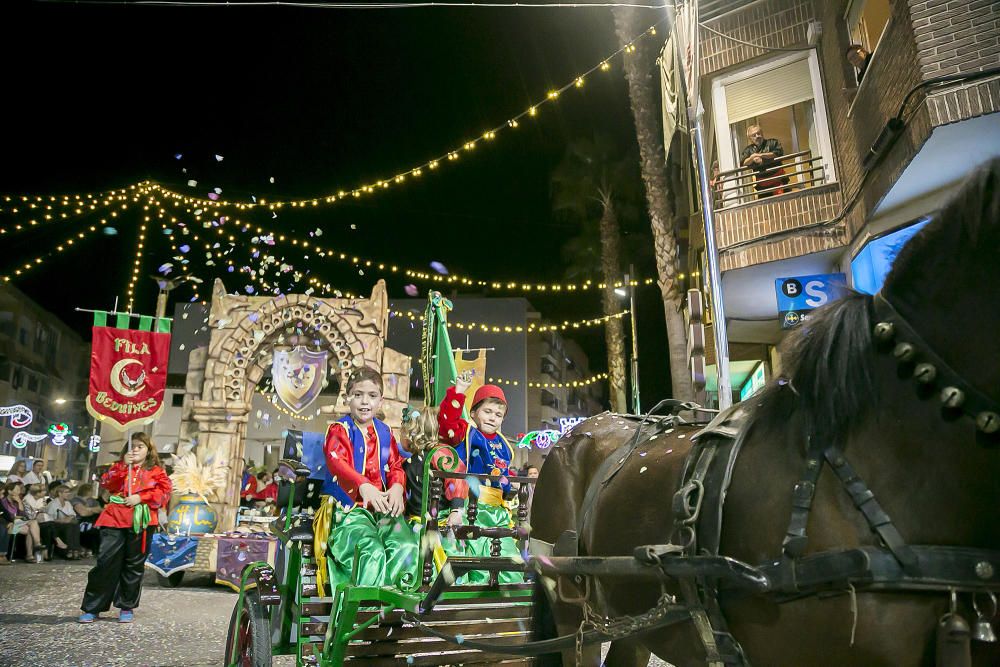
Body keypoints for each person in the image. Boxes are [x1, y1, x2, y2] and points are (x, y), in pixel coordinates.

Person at [317, 366, 411, 592]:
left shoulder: (385, 432)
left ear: (381, 400)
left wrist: (397, 486)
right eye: (358, 395)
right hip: (348, 511)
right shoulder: (339, 430)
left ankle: (398, 604)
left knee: (406, 545)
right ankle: (363, 611)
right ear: (347, 397)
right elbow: (337, 462)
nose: (364, 402)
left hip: (382, 510)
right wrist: (363, 486)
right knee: (371, 550)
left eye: (372, 396)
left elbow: (396, 465)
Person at [438, 370, 523, 584]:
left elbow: (502, 477)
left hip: (498, 514)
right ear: (474, 413)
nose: (492, 417)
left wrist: (510, 493)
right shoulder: (466, 433)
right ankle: (470, 604)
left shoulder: (505, 445)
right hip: (470, 508)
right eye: (487, 411)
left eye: (498, 414)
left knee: (508, 561)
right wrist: (458, 392)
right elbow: (447, 424)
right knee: (474, 559)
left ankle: (507, 602)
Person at [79, 433, 172, 624]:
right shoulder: (118, 467)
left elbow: (164, 493)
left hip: (142, 522)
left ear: (148, 451)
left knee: (134, 566)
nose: (135, 449)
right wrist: (122, 466)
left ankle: (126, 605)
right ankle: (93, 607)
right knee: (105, 563)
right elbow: (106, 483)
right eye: (133, 446)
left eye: (140, 446)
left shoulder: (156, 471)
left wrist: (141, 497)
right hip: (114, 518)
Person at [1, 481, 45, 563]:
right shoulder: (3, 502)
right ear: (10, 491)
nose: (19, 491)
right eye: (17, 490)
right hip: (9, 525)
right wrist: (18, 517)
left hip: (17, 523)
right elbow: (9, 517)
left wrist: (19, 502)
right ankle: (36, 546)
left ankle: (32, 552)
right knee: (32, 523)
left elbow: (23, 515)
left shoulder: (17, 502)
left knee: (31, 528)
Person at [739, 124, 788, 197]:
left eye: (758, 133)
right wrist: (752, 158)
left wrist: (761, 155)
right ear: (750, 138)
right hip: (763, 187)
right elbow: (743, 163)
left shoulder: (773, 142)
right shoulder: (748, 150)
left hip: (779, 181)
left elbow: (778, 153)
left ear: (762, 133)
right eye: (754, 135)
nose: (757, 136)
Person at [47, 484, 83, 559]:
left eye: (69, 492)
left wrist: (68, 518)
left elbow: (73, 514)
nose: (68, 494)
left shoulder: (67, 503)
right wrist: (62, 520)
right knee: (69, 526)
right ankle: (68, 551)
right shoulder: (53, 504)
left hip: (67, 523)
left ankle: (75, 549)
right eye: (66, 492)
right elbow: (49, 519)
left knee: (75, 525)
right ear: (60, 493)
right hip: (56, 525)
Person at [71, 483, 102, 556]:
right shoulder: (76, 500)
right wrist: (93, 510)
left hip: (92, 521)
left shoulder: (94, 501)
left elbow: (100, 510)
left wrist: (88, 509)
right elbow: (83, 513)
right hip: (80, 522)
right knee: (92, 529)